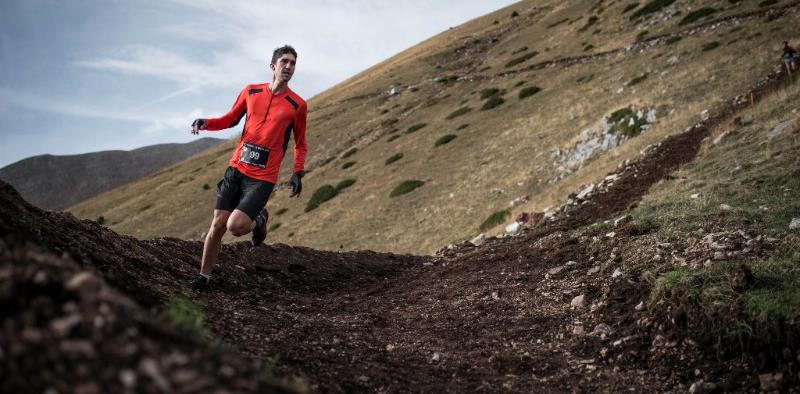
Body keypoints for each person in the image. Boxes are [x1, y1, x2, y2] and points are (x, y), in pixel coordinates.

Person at [187, 45, 308, 289]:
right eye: (284, 61)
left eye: (293, 63)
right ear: (272, 66)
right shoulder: (251, 91)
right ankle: (203, 277)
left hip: (262, 178)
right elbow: (230, 119)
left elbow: (300, 143)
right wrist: (206, 123)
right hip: (237, 168)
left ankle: (259, 219)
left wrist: (297, 172)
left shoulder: (297, 105)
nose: (289, 67)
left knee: (235, 226)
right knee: (218, 223)